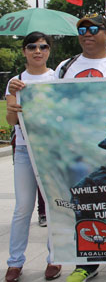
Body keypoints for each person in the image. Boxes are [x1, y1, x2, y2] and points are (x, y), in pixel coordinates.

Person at [47, 14, 106, 282]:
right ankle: (87, 263)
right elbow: (47, 98)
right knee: (83, 207)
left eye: (93, 28)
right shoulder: (65, 67)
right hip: (78, 150)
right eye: (82, 29)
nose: (87, 33)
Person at [5, 32, 62, 282]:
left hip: (50, 148)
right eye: (32, 46)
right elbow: (11, 122)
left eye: (43, 46)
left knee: (53, 206)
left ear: (49, 51)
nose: (37, 51)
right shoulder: (15, 81)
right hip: (25, 150)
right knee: (22, 208)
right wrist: (13, 107)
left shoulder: (58, 77)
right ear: (24, 51)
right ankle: (15, 262)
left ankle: (54, 258)